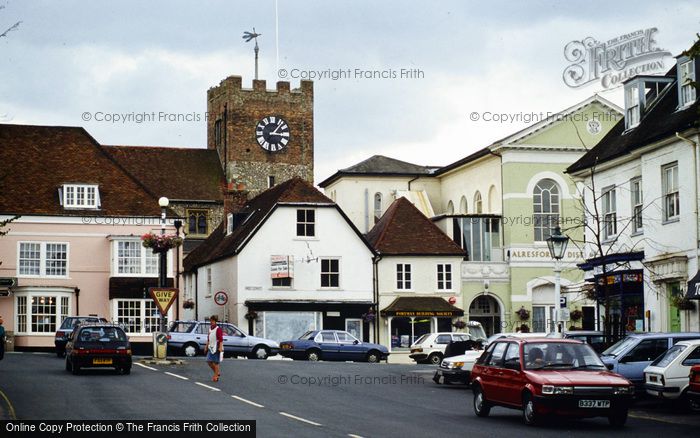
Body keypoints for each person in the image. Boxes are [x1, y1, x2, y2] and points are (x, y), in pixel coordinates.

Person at [205, 315, 223, 382]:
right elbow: (208, 338)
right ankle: (217, 372)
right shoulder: (210, 328)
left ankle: (216, 377)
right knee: (209, 361)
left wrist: (220, 347)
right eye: (210, 321)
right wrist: (206, 346)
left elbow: (221, 339)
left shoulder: (218, 329)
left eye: (212, 321)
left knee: (216, 362)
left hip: (216, 347)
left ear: (215, 321)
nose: (211, 322)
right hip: (211, 347)